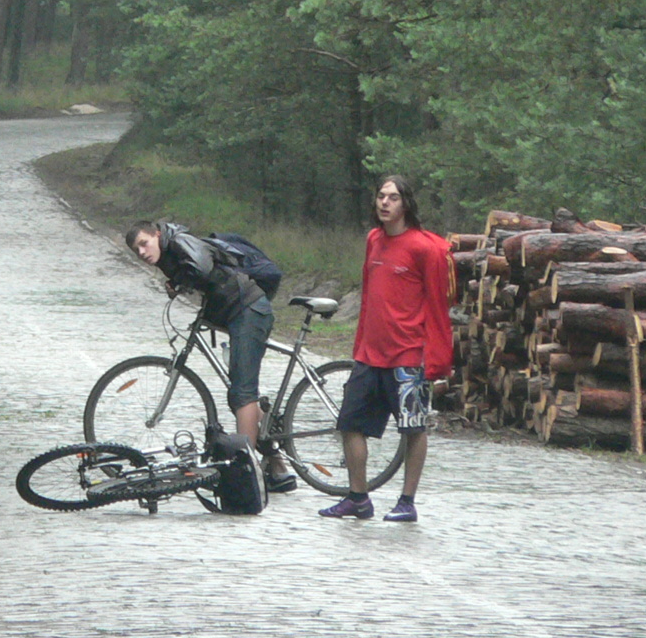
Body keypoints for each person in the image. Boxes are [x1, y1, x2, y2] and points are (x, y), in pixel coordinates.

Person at [125, 220, 297, 492]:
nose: (143, 252)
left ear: (158, 234)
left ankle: (246, 477)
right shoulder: (170, 253)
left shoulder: (181, 242)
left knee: (243, 394)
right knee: (239, 395)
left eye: (144, 243)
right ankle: (277, 468)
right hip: (238, 310)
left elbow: (202, 267)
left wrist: (180, 281)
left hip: (249, 309)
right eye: (137, 250)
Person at [319, 175, 453, 522]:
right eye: (380, 196)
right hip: (370, 355)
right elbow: (368, 298)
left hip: (408, 355)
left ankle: (407, 501)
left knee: (413, 428)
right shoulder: (373, 240)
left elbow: (438, 305)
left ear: (406, 203)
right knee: (349, 424)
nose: (384, 203)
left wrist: (437, 359)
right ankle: (357, 497)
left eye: (392, 198)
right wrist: (359, 342)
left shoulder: (426, 247)